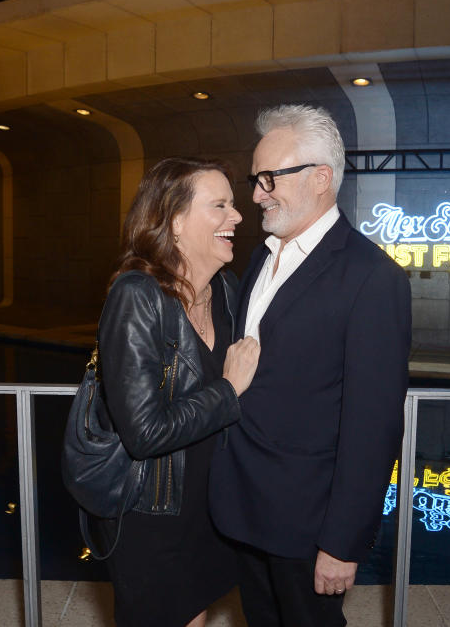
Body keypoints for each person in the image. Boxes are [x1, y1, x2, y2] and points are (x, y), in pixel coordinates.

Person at [209, 104, 411, 627]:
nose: (256, 194)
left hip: (307, 527)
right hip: (241, 510)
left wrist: (341, 543)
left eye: (270, 178)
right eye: (256, 179)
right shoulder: (258, 257)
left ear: (322, 178)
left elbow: (374, 425)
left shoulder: (373, 278)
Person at [89, 156, 260, 627]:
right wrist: (228, 390)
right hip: (151, 514)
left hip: (210, 507)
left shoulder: (225, 290)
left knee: (197, 616)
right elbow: (143, 432)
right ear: (175, 221)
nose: (237, 217)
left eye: (234, 204)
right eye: (220, 205)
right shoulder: (136, 296)